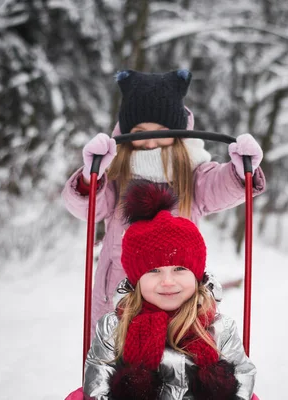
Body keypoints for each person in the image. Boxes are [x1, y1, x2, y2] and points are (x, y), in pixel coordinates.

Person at [62, 69, 266, 336]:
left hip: (178, 297)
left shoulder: (192, 174)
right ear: (126, 133)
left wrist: (240, 173)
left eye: (161, 131)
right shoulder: (115, 174)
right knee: (119, 368)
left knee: (176, 366)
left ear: (178, 133)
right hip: (119, 296)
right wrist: (91, 179)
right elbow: (89, 207)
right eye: (140, 131)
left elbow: (218, 187)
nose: (150, 141)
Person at [81, 181, 256, 400]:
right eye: (153, 270)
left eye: (179, 269)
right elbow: (98, 383)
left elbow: (243, 375)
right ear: (136, 280)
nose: (167, 281)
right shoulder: (114, 326)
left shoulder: (218, 327)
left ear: (197, 275)